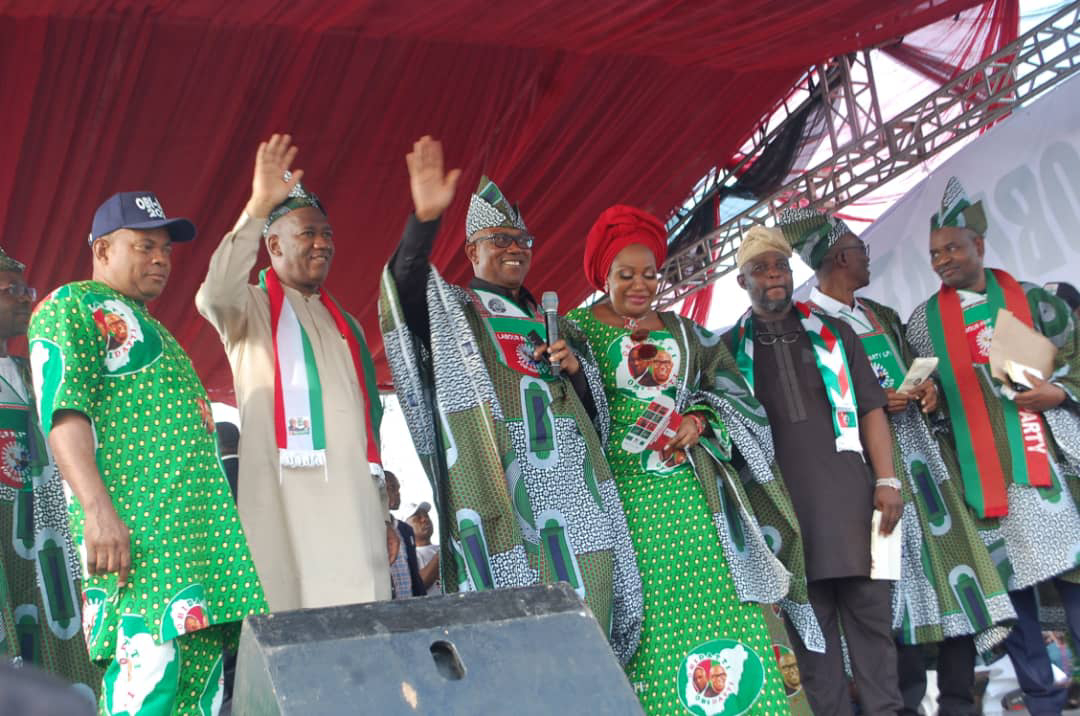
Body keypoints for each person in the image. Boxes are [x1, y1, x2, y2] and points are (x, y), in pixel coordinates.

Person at [379, 136, 642, 664]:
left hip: (575, 494)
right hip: (501, 483)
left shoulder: (560, 323)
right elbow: (405, 291)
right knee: (518, 632)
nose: (514, 247)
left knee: (591, 618)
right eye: (498, 239)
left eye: (522, 238)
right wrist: (424, 222)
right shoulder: (457, 310)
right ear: (472, 251)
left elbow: (599, 422)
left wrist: (578, 374)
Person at [566, 205, 821, 714]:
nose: (640, 286)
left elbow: (741, 401)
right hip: (625, 507)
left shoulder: (688, 334)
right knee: (654, 622)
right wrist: (574, 373)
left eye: (650, 274)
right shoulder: (575, 333)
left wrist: (700, 420)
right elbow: (562, 417)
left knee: (730, 605)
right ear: (602, 275)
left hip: (697, 496)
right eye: (625, 275)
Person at [28, 191, 267, 714]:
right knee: (147, 688)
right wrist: (97, 512)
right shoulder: (72, 306)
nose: (161, 258)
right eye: (144, 246)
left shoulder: (154, 326)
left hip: (197, 552)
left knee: (197, 698)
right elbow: (64, 415)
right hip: (143, 549)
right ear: (103, 249)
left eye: (166, 248)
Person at [788, 206, 1015, 716]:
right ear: (840, 257)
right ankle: (904, 706)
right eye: (861, 251)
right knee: (892, 597)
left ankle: (960, 704)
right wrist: (869, 398)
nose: (867, 259)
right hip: (871, 480)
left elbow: (920, 366)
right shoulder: (806, 327)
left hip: (926, 472)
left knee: (953, 583)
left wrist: (926, 391)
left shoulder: (881, 315)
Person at [906, 177, 1080, 715]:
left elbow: (1074, 358)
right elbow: (914, 388)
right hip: (984, 485)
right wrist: (925, 399)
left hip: (1049, 473)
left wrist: (1060, 390)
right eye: (935, 253)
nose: (943, 260)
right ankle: (1042, 700)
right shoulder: (921, 325)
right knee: (1018, 603)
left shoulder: (1037, 301)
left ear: (979, 246)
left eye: (953, 248)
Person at [196, 134, 390, 611]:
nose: (322, 244)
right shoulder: (250, 311)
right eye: (308, 234)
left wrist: (383, 513)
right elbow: (215, 293)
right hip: (287, 513)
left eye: (327, 235)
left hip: (356, 515)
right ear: (273, 246)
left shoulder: (345, 324)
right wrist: (257, 207)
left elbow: (371, 423)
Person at [724, 225, 904, 715]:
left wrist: (887, 480)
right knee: (812, 646)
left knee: (875, 633)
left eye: (780, 266)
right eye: (760, 269)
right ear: (742, 282)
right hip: (785, 520)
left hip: (857, 505)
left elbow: (872, 409)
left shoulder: (836, 332)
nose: (774, 276)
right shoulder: (725, 351)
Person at [0, 246, 99, 697]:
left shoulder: (33, 372)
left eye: (27, 290)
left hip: (49, 542)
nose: (26, 299)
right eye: (12, 290)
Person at [385, 471, 425, 598]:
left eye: (397, 488)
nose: (397, 493)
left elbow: (414, 572)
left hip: (410, 604)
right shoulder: (374, 527)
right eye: (391, 488)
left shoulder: (405, 530)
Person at [406, 502, 441, 596]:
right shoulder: (407, 556)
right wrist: (440, 555)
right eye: (418, 518)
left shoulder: (443, 547)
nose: (425, 519)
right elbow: (419, 585)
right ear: (405, 526)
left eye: (426, 516)